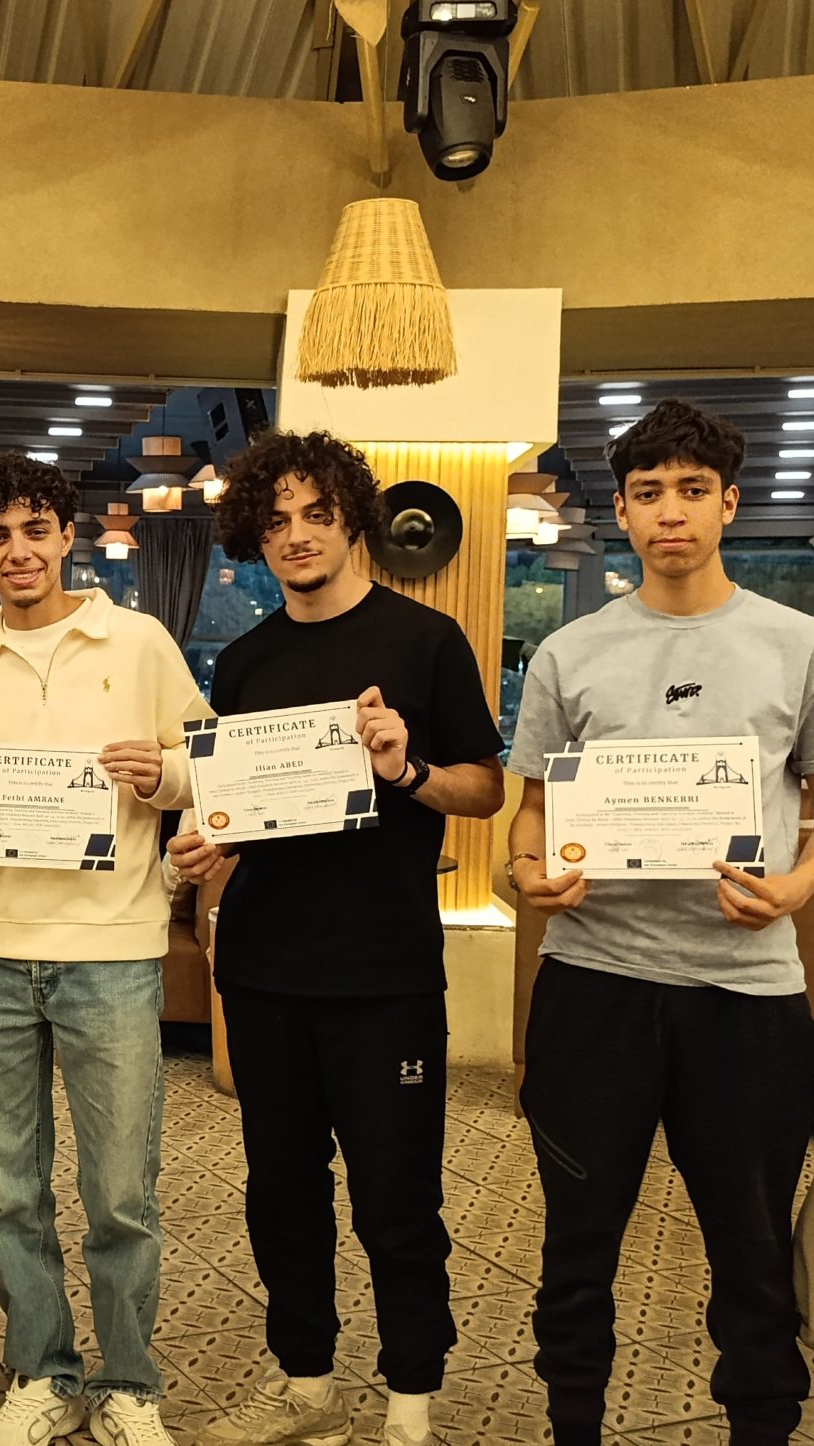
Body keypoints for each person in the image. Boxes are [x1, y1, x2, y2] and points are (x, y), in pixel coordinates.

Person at [506, 399, 814, 1446]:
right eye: (649, 492)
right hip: (594, 987)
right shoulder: (569, 653)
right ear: (622, 513)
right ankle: (572, 1424)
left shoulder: (801, 646)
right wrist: (526, 872)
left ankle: (761, 1426)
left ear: (729, 505)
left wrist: (795, 889)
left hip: (745, 995)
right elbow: (532, 812)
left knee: (751, 1252)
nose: (672, 511)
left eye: (693, 490)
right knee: (576, 1247)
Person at [164, 433, 506, 1446]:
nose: (297, 536)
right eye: (275, 521)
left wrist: (406, 770)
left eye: (316, 514)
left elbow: (484, 789)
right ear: (254, 537)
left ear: (352, 519)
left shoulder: (426, 641)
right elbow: (241, 812)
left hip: (384, 973)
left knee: (397, 1200)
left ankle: (410, 1401)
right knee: (281, 1196)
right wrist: (207, 842)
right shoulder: (245, 661)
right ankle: (304, 1385)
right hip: (264, 969)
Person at [0, 451, 204, 1446]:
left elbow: (206, 762)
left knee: (120, 1191)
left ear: (65, 536)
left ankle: (129, 1383)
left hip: (111, 951)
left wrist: (162, 777)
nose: (17, 551)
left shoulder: (137, 640)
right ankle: (40, 1372)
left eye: (34, 530)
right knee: (9, 1190)